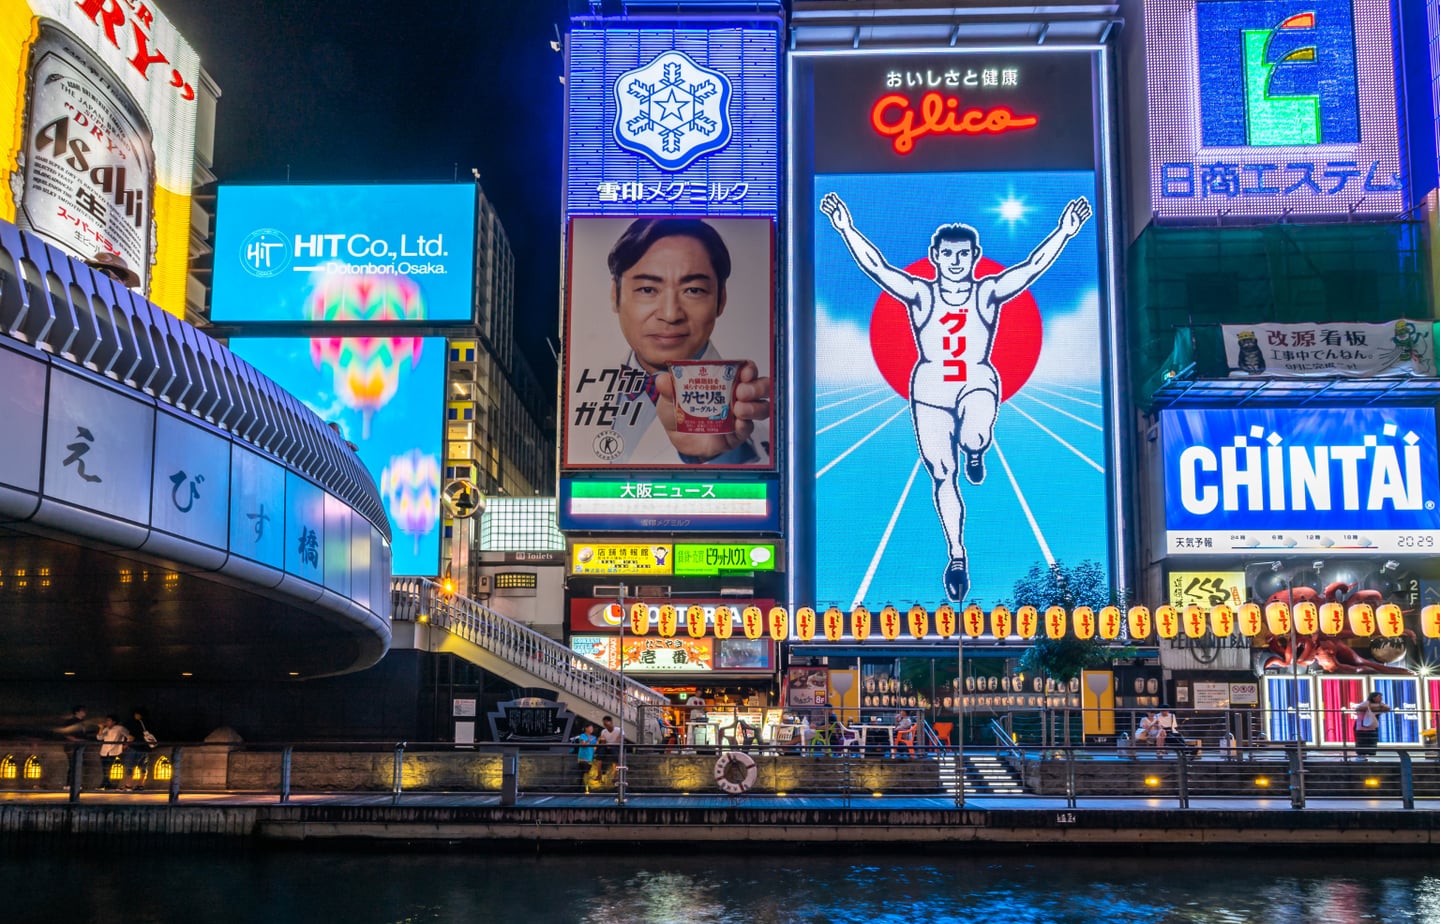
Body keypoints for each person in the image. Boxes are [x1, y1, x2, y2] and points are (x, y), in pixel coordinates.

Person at [820, 193, 1091, 601]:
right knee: (943, 474)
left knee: (975, 435)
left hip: (976, 380)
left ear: (975, 255)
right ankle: (957, 554)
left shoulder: (987, 293)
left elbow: (1032, 268)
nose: (956, 261)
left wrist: (1064, 232)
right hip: (929, 390)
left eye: (963, 254)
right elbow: (877, 267)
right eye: (948, 254)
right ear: (935, 256)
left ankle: (977, 449)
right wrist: (845, 227)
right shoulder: (921, 294)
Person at [571, 218, 773, 465]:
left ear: (721, 300)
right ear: (615, 295)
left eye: (693, 290)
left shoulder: (756, 411)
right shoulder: (576, 392)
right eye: (647, 289)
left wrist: (715, 457)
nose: (670, 314)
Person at [120, 708, 156, 791]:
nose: (136, 716)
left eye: (137, 714)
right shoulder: (149, 723)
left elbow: (131, 736)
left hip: (135, 747)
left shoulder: (133, 724)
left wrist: (127, 743)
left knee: (130, 766)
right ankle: (140, 785)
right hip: (145, 748)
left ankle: (128, 785)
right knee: (143, 767)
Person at [95, 715, 129, 790]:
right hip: (104, 751)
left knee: (108, 768)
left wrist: (126, 744)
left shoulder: (120, 728)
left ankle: (105, 784)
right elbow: (99, 737)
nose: (107, 722)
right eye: (107, 720)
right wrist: (101, 728)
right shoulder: (106, 729)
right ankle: (107, 784)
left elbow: (128, 735)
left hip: (114, 751)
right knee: (104, 768)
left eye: (109, 720)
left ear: (114, 722)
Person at [1353, 692, 1389, 760]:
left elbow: (1388, 708)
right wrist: (1374, 707)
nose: (1381, 698)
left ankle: (1367, 757)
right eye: (1379, 697)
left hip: (1372, 727)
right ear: (1373, 697)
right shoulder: (1366, 703)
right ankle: (1361, 757)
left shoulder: (1380, 704)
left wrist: (1380, 705)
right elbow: (1358, 708)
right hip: (1362, 727)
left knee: (1371, 743)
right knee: (1362, 743)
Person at [595, 715, 623, 784]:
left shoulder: (619, 730)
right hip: (606, 746)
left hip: (615, 746)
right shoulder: (603, 731)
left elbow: (619, 739)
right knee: (599, 756)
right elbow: (603, 741)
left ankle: (615, 776)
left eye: (606, 723)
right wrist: (604, 743)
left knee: (616, 758)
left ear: (611, 722)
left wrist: (612, 745)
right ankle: (599, 774)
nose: (605, 726)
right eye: (604, 724)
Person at [572, 723, 598, 787]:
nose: (592, 729)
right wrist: (588, 740)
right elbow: (583, 744)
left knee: (586, 772)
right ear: (586, 728)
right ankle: (583, 787)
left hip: (590, 757)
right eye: (590, 728)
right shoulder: (582, 736)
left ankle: (583, 787)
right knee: (584, 771)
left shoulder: (594, 737)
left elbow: (595, 747)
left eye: (592, 728)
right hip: (583, 757)